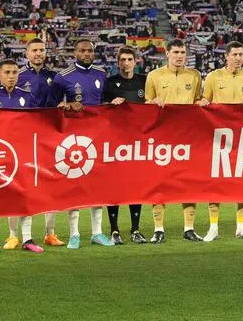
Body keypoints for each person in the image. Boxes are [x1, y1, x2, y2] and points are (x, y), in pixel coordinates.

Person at [200, 41, 243, 240]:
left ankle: (241, 226)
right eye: (235, 54)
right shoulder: (214, 77)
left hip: (242, 139)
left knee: (242, 183)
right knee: (215, 183)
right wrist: (203, 102)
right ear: (226, 56)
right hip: (218, 138)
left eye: (241, 55)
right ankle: (213, 227)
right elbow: (203, 101)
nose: (239, 58)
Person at [51, 38, 116, 248]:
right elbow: (53, 106)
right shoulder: (63, 77)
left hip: (97, 136)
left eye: (90, 50)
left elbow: (104, 102)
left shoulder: (100, 74)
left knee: (98, 186)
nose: (86, 53)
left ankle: (97, 233)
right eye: (82, 50)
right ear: (75, 53)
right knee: (75, 186)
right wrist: (68, 105)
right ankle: (74, 234)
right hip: (74, 139)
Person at [0, 59, 40, 256]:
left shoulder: (27, 96)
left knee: (23, 197)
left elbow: (38, 121)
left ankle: (27, 238)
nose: (11, 76)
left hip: (22, 154)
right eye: (7, 72)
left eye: (15, 72)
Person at [145, 40, 203, 243]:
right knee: (160, 184)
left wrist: (201, 102)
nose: (180, 55)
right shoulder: (154, 76)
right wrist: (152, 102)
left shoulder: (194, 75)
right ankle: (158, 229)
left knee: (189, 184)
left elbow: (197, 100)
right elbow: (145, 104)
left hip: (188, 137)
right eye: (176, 52)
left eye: (183, 52)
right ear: (167, 54)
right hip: (163, 138)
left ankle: (189, 228)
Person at [11, 38, 65, 249]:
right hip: (23, 136)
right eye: (34, 50)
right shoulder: (18, 76)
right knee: (20, 184)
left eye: (41, 50)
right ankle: (14, 234)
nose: (38, 54)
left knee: (50, 185)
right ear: (26, 53)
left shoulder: (56, 78)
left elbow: (64, 102)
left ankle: (50, 233)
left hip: (49, 136)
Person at [103, 46, 148, 243]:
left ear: (135, 61)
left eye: (129, 59)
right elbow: (99, 109)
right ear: (117, 62)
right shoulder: (110, 83)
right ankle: (114, 230)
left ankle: (135, 230)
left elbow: (151, 105)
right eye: (122, 59)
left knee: (136, 187)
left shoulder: (144, 81)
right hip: (115, 142)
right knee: (114, 187)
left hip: (138, 143)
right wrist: (110, 104)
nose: (126, 63)